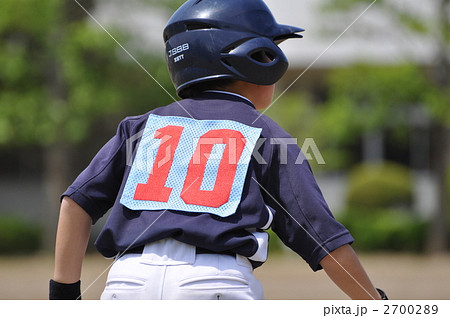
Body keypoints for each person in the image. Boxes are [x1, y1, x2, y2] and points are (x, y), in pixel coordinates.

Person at [50, 0, 388, 300]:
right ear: (257, 59)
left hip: (127, 283)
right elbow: (323, 238)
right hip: (214, 284)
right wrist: (374, 302)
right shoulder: (267, 135)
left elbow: (76, 203)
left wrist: (64, 296)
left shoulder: (140, 127)